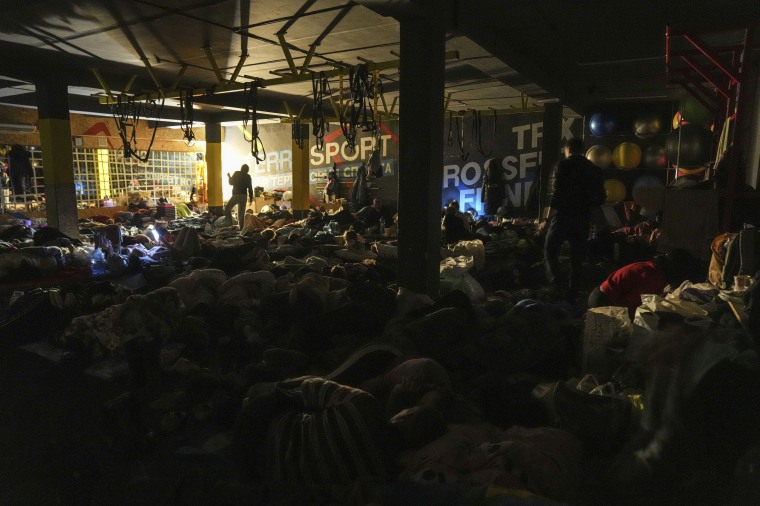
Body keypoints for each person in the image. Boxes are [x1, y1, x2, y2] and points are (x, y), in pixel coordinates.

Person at [544, 137, 604, 301]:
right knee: (577, 259)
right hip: (582, 218)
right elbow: (600, 199)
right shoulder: (594, 169)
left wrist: (547, 219)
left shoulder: (562, 165)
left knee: (550, 248)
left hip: (563, 216)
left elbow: (555, 195)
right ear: (583, 151)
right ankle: (572, 294)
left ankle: (557, 282)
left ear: (568, 149)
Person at [587, 248, 693, 318]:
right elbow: (629, 305)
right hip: (603, 302)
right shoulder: (655, 276)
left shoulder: (651, 266)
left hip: (599, 294)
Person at [224, 163, 253, 229]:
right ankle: (241, 229)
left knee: (227, 209)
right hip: (244, 196)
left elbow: (231, 183)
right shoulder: (248, 176)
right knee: (241, 214)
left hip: (236, 195)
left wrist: (229, 176)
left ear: (241, 168)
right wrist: (250, 198)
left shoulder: (237, 173)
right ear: (247, 170)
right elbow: (250, 188)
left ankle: (230, 225)